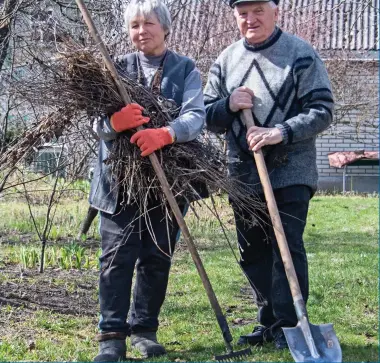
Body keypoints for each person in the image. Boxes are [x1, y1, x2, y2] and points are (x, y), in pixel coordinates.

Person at [204, 0, 334, 350]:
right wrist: (228, 104)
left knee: (286, 247)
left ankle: (290, 323)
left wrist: (281, 131)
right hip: (242, 173)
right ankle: (268, 321)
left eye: (258, 9)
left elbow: (322, 111)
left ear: (276, 11)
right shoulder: (226, 61)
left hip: (291, 169)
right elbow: (206, 116)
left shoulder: (300, 54)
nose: (251, 19)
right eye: (243, 12)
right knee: (253, 251)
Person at [89, 0, 205, 361]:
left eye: (148, 24)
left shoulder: (185, 69)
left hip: (167, 181)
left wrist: (166, 134)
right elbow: (95, 123)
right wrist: (114, 123)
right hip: (118, 181)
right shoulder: (114, 68)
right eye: (135, 25)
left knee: (156, 256)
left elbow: (196, 116)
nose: (141, 31)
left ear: (166, 28)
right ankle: (111, 334)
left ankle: (144, 329)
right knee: (116, 258)